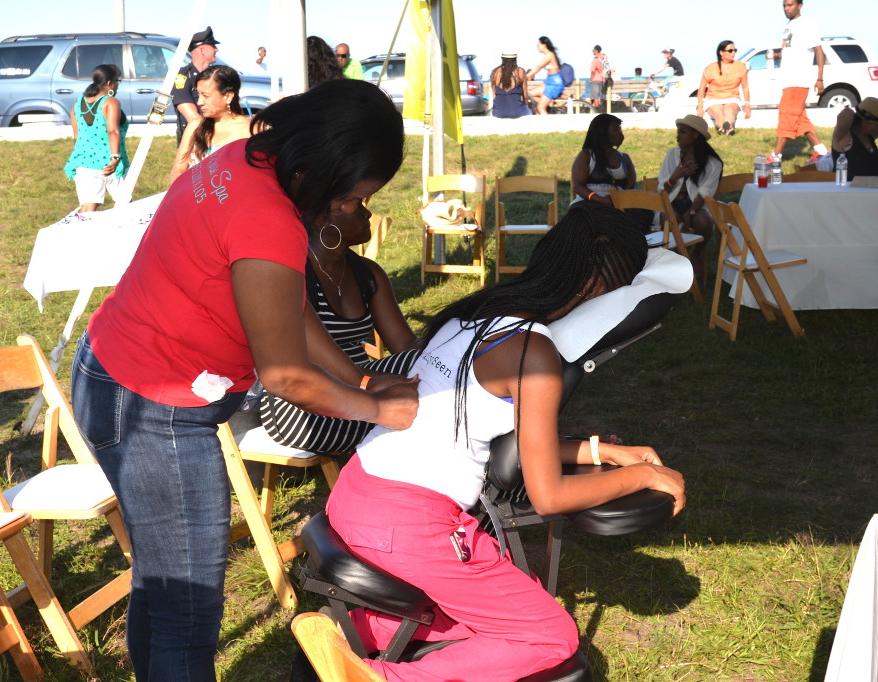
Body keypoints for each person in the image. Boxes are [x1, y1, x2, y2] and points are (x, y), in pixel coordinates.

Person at [70, 79, 419, 681]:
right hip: (151, 402)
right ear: (330, 169)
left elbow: (288, 310)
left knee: (163, 580)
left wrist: (360, 381)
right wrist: (380, 411)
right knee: (187, 604)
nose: (355, 205)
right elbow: (284, 376)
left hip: (123, 376)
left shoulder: (247, 159)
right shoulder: (269, 218)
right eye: (361, 192)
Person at [325, 202, 686, 682]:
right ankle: (375, 679)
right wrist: (643, 475)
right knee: (550, 636)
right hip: (406, 523)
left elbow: (486, 431)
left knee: (515, 597)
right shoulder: (534, 353)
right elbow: (549, 495)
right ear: (597, 287)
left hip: (357, 495)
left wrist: (604, 451)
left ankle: (356, 636)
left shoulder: (474, 314)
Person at [260, 200, 419, 454]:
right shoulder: (293, 275)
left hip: (362, 388)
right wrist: (397, 382)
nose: (368, 213)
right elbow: (324, 368)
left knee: (432, 369)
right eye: (357, 206)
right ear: (324, 219)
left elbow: (407, 346)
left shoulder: (368, 273)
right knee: (428, 389)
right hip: (304, 408)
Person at [658, 114, 723, 281]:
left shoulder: (713, 163)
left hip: (696, 205)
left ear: (695, 135)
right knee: (668, 220)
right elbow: (662, 188)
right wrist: (676, 176)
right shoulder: (672, 155)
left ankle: (696, 255)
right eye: (678, 132)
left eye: (682, 132)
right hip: (671, 202)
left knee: (704, 222)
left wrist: (691, 212)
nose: (677, 136)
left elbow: (706, 193)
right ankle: (672, 262)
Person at [63, 64, 129, 213]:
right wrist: (114, 158)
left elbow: (77, 136)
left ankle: (75, 235)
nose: (118, 85)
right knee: (126, 205)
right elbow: (113, 131)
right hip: (110, 163)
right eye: (117, 81)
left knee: (87, 209)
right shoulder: (110, 102)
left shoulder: (78, 103)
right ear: (109, 83)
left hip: (84, 161)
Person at [169, 65, 250, 185]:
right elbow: (178, 171)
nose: (199, 102)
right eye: (198, 95)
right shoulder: (195, 126)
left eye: (206, 96)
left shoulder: (247, 131)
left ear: (228, 96)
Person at [772, 0, 828, 163]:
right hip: (788, 79)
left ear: (800, 5)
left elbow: (818, 50)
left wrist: (820, 78)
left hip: (798, 79)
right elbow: (792, 51)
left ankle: (776, 157)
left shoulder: (807, 23)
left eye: (790, 5)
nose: (786, 9)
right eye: (784, 6)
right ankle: (822, 152)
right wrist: (777, 56)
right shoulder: (790, 25)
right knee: (801, 119)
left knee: (786, 114)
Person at [171, 26, 220, 144]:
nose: (216, 49)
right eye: (213, 46)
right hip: (196, 141)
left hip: (218, 139)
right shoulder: (183, 77)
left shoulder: (217, 75)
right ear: (202, 50)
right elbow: (193, 118)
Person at [697, 41, 751, 136]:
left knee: (729, 111)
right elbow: (701, 89)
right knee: (718, 113)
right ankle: (726, 128)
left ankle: (726, 128)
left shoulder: (740, 66)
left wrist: (747, 105)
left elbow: (745, 87)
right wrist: (700, 107)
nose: (733, 53)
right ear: (721, 53)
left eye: (735, 50)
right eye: (730, 50)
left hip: (732, 98)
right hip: (714, 98)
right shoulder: (711, 68)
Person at [831, 97, 878, 181]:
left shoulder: (870, 137)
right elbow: (847, 113)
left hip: (870, 191)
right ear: (865, 121)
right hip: (849, 191)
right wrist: (862, 113)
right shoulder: (844, 137)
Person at [526, 37, 564, 115]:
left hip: (554, 84)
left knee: (540, 108)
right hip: (549, 82)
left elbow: (538, 67)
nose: (537, 47)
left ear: (544, 45)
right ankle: (547, 108)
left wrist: (525, 77)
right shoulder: (549, 55)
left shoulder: (550, 55)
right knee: (528, 93)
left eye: (538, 45)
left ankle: (549, 126)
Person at [489, 54, 534, 119]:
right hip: (517, 111)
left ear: (502, 59)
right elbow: (525, 96)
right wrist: (526, 107)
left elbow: (494, 94)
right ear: (515, 60)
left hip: (498, 111)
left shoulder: (495, 72)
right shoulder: (520, 71)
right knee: (530, 113)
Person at [589, 45, 608, 109]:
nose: (592, 52)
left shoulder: (595, 59)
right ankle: (602, 110)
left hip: (596, 79)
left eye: (593, 50)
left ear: (596, 51)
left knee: (595, 97)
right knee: (601, 96)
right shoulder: (604, 58)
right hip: (604, 79)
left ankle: (596, 111)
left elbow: (592, 70)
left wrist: (591, 79)